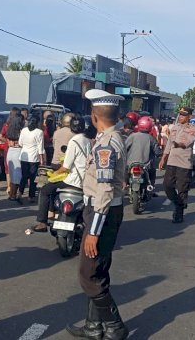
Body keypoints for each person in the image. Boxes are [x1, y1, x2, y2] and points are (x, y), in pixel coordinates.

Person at [66, 89, 128, 340]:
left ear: (94, 116)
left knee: (88, 273)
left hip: (102, 211)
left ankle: (114, 325)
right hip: (106, 209)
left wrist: (93, 231)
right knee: (98, 270)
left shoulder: (106, 145)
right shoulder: (112, 138)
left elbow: (103, 189)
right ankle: (94, 326)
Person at [32, 116, 91, 232]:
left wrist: (54, 175)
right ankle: (52, 213)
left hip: (73, 180)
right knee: (52, 188)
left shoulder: (74, 141)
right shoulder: (88, 140)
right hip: (85, 180)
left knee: (45, 190)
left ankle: (42, 222)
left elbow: (65, 167)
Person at [159, 107, 195, 223]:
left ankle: (179, 213)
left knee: (182, 189)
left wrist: (177, 143)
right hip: (172, 161)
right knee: (167, 185)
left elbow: (186, 143)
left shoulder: (193, 129)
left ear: (189, 117)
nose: (181, 117)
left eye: (183, 115)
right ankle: (179, 203)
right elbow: (169, 144)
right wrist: (163, 158)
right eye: (180, 115)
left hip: (184, 163)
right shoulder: (174, 127)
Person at [126, 115, 162, 191]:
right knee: (152, 173)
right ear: (150, 127)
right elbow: (157, 152)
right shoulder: (151, 138)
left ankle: (125, 185)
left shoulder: (132, 136)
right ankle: (151, 187)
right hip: (146, 165)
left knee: (124, 173)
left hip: (130, 164)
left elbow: (124, 148)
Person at [19, 115, 45, 202]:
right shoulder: (39, 132)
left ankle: (20, 193)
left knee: (24, 176)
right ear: (37, 122)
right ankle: (31, 196)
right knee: (33, 178)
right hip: (34, 157)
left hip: (23, 156)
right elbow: (40, 147)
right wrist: (42, 159)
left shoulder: (24, 130)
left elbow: (20, 143)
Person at [5, 114, 25, 203]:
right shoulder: (21, 131)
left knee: (12, 174)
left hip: (10, 152)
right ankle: (14, 194)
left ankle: (11, 194)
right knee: (17, 175)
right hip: (18, 152)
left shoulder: (10, 129)